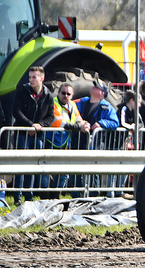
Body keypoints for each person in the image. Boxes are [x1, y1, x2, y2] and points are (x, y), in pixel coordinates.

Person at [12, 66, 55, 205]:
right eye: (30, 77)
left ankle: (29, 196)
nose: (31, 80)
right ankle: (17, 196)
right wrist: (30, 124)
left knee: (33, 165)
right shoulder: (22, 91)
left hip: (38, 135)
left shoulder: (48, 95)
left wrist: (39, 125)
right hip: (23, 132)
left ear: (42, 78)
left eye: (34, 77)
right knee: (21, 164)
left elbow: (51, 116)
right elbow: (16, 111)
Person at [73, 80, 119, 197]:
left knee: (93, 170)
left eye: (97, 87)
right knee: (76, 167)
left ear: (103, 93)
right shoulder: (81, 103)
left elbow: (115, 122)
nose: (94, 87)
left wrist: (101, 123)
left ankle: (93, 194)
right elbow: (72, 114)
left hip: (95, 143)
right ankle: (76, 194)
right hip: (79, 141)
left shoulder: (107, 107)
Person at [45, 83, 90, 199]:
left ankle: (55, 196)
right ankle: (43, 196)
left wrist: (85, 125)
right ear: (59, 93)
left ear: (72, 95)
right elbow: (59, 123)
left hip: (64, 143)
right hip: (50, 141)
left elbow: (79, 119)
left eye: (68, 94)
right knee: (45, 171)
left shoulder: (72, 105)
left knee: (64, 172)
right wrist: (78, 127)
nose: (65, 96)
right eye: (63, 93)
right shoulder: (53, 103)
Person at [114, 90, 144, 197]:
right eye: (138, 102)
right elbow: (121, 123)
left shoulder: (135, 111)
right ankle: (112, 191)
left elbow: (141, 124)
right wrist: (131, 126)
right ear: (132, 101)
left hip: (125, 143)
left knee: (125, 167)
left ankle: (120, 189)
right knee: (114, 168)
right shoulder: (123, 108)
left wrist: (136, 126)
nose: (139, 105)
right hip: (116, 142)